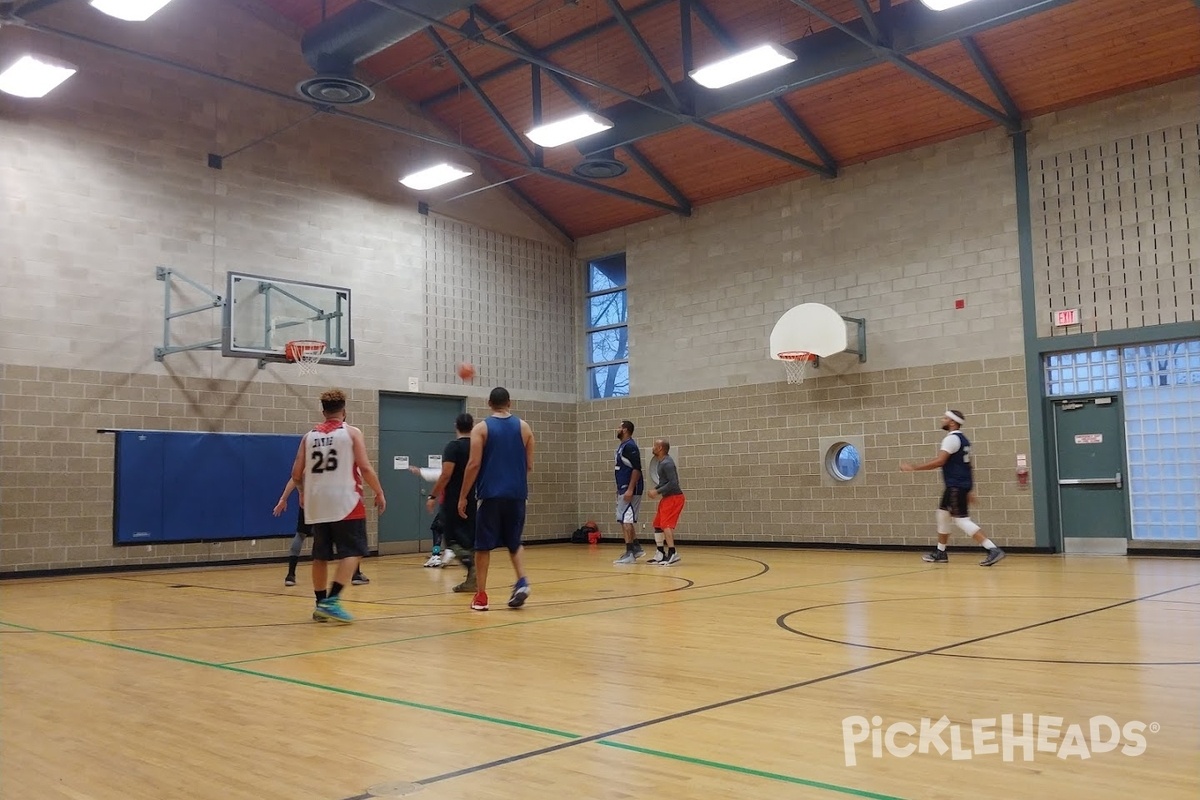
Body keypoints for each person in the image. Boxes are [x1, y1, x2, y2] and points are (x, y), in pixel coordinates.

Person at [289, 389, 386, 622]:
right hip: (345, 500)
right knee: (354, 551)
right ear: (345, 411)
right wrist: (379, 491)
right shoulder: (351, 433)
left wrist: (302, 493)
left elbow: (295, 473)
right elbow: (364, 467)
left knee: (320, 555)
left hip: (317, 502)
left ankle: (320, 603)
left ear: (323, 411)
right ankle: (332, 601)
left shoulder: (308, 436)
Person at [457, 387, 535, 611]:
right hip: (517, 495)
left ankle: (481, 596)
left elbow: (473, 464)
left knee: (482, 547)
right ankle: (522, 581)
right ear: (509, 403)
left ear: (489, 403)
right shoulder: (524, 428)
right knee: (514, 541)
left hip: (491, 495)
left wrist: (463, 496)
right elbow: (529, 465)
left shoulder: (481, 429)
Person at [900, 409, 1005, 567]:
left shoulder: (951, 439)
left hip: (956, 485)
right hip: (958, 485)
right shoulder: (964, 440)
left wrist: (914, 468)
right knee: (942, 515)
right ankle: (941, 552)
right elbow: (969, 466)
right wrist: (969, 488)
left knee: (961, 521)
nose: (942, 420)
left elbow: (939, 461)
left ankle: (992, 549)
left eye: (945, 418)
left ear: (952, 422)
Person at [410, 412, 477, 592]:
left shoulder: (453, 447)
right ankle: (472, 578)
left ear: (456, 425)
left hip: (453, 499)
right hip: (472, 498)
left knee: (451, 538)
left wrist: (432, 496)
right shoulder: (478, 447)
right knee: (469, 538)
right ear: (473, 426)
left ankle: (471, 566)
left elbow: (446, 474)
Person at [272, 477, 369, 587]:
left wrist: (285, 498)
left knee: (301, 535)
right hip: (328, 502)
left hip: (312, 501)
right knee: (348, 538)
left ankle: (290, 575)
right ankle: (355, 575)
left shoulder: (309, 462)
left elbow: (295, 477)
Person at [646, 438, 685, 565]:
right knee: (657, 524)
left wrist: (656, 492)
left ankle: (673, 553)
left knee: (666, 525)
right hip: (667, 498)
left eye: (654, 446)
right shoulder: (661, 462)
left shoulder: (667, 463)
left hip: (674, 498)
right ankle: (660, 553)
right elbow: (664, 482)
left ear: (660, 448)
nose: (653, 448)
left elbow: (673, 483)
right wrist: (656, 489)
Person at [612, 420, 645, 565]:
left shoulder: (630, 446)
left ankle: (630, 553)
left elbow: (637, 469)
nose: (617, 429)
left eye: (619, 427)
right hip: (623, 487)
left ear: (625, 430)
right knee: (624, 518)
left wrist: (630, 488)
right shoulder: (623, 446)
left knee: (625, 519)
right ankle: (636, 547)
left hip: (630, 487)